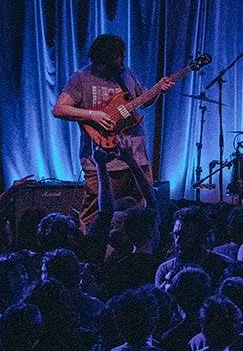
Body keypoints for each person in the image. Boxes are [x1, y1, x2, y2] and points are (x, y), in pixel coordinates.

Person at [52, 34, 173, 230]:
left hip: (135, 157)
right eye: (117, 57)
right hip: (101, 161)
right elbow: (60, 109)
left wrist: (158, 90)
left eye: (122, 55)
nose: (122, 59)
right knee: (96, 218)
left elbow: (143, 101)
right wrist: (93, 115)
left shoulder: (128, 74)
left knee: (144, 216)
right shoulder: (81, 78)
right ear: (102, 60)